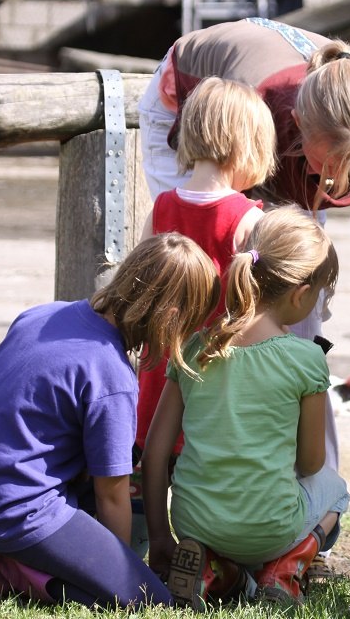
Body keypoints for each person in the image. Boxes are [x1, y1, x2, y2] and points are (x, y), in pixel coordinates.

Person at [0, 233, 220, 608]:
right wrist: (120, 573)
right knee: (147, 600)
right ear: (170, 319)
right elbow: (111, 495)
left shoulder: (42, 314)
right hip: (16, 509)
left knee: (120, 455)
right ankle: (8, 568)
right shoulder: (111, 374)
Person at [138, 17, 350, 371]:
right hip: (194, 102)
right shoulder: (259, 107)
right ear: (299, 123)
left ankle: (299, 391)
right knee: (206, 278)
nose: (334, 180)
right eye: (326, 164)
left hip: (280, 132)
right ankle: (192, 394)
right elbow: (218, 221)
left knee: (299, 283)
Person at [141, 207, 350, 608]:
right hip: (269, 531)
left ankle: (213, 570)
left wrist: (159, 537)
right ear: (301, 294)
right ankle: (283, 568)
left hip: (192, 525)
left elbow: (154, 454)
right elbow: (310, 464)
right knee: (335, 491)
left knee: (218, 535)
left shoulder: (194, 348)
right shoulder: (306, 358)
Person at [130, 76, 275, 555]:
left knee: (151, 458)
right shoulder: (247, 220)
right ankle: (207, 551)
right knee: (206, 468)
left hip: (158, 364)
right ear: (249, 145)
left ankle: (150, 543)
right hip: (212, 375)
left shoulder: (162, 206)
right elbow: (254, 311)